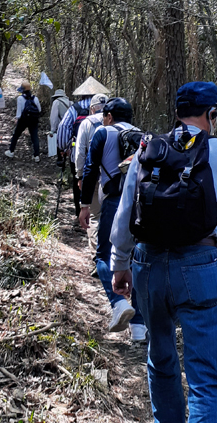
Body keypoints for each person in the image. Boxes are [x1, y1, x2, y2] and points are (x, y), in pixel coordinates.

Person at [109, 82, 217, 423]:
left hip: (148, 266)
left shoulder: (147, 150)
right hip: (203, 268)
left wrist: (119, 265)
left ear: (177, 112)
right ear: (211, 114)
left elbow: (125, 215)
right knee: (205, 378)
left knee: (160, 360)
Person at [79, 97, 146, 342]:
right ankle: (139, 326)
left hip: (114, 201)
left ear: (108, 116)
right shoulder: (144, 137)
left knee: (103, 255)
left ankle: (118, 302)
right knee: (137, 258)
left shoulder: (102, 133)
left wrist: (84, 205)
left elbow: (90, 169)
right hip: (143, 206)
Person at [75, 94, 108, 250]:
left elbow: (80, 152)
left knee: (94, 217)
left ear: (92, 108)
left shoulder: (87, 123)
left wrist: (80, 175)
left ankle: (97, 256)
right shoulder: (115, 121)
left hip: (92, 175)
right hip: (113, 176)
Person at [56, 93, 94, 216]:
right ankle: (95, 214)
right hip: (101, 154)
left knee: (78, 180)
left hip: (78, 152)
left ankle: (80, 213)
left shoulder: (75, 108)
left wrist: (63, 147)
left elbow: (63, 127)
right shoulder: (107, 106)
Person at [5, 80, 42, 162]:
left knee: (16, 135)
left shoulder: (20, 98)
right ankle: (36, 156)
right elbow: (39, 110)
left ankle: (11, 151)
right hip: (33, 120)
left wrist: (17, 118)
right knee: (35, 137)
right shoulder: (35, 98)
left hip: (23, 120)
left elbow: (19, 111)